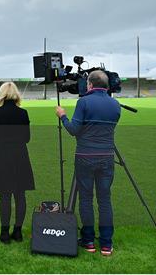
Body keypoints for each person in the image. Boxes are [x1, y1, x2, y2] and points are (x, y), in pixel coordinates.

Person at [55, 70, 121, 256]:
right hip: (107, 156)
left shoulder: (83, 102)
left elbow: (74, 130)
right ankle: (107, 244)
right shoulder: (115, 105)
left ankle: (89, 241)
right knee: (105, 200)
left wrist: (63, 116)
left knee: (86, 199)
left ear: (90, 85)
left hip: (85, 156)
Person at [0, 82, 35, 244]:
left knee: (4, 196)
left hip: (1, 157)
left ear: (2, 94)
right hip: (20, 156)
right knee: (20, 195)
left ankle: (5, 234)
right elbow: (27, 138)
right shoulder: (23, 113)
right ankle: (17, 232)